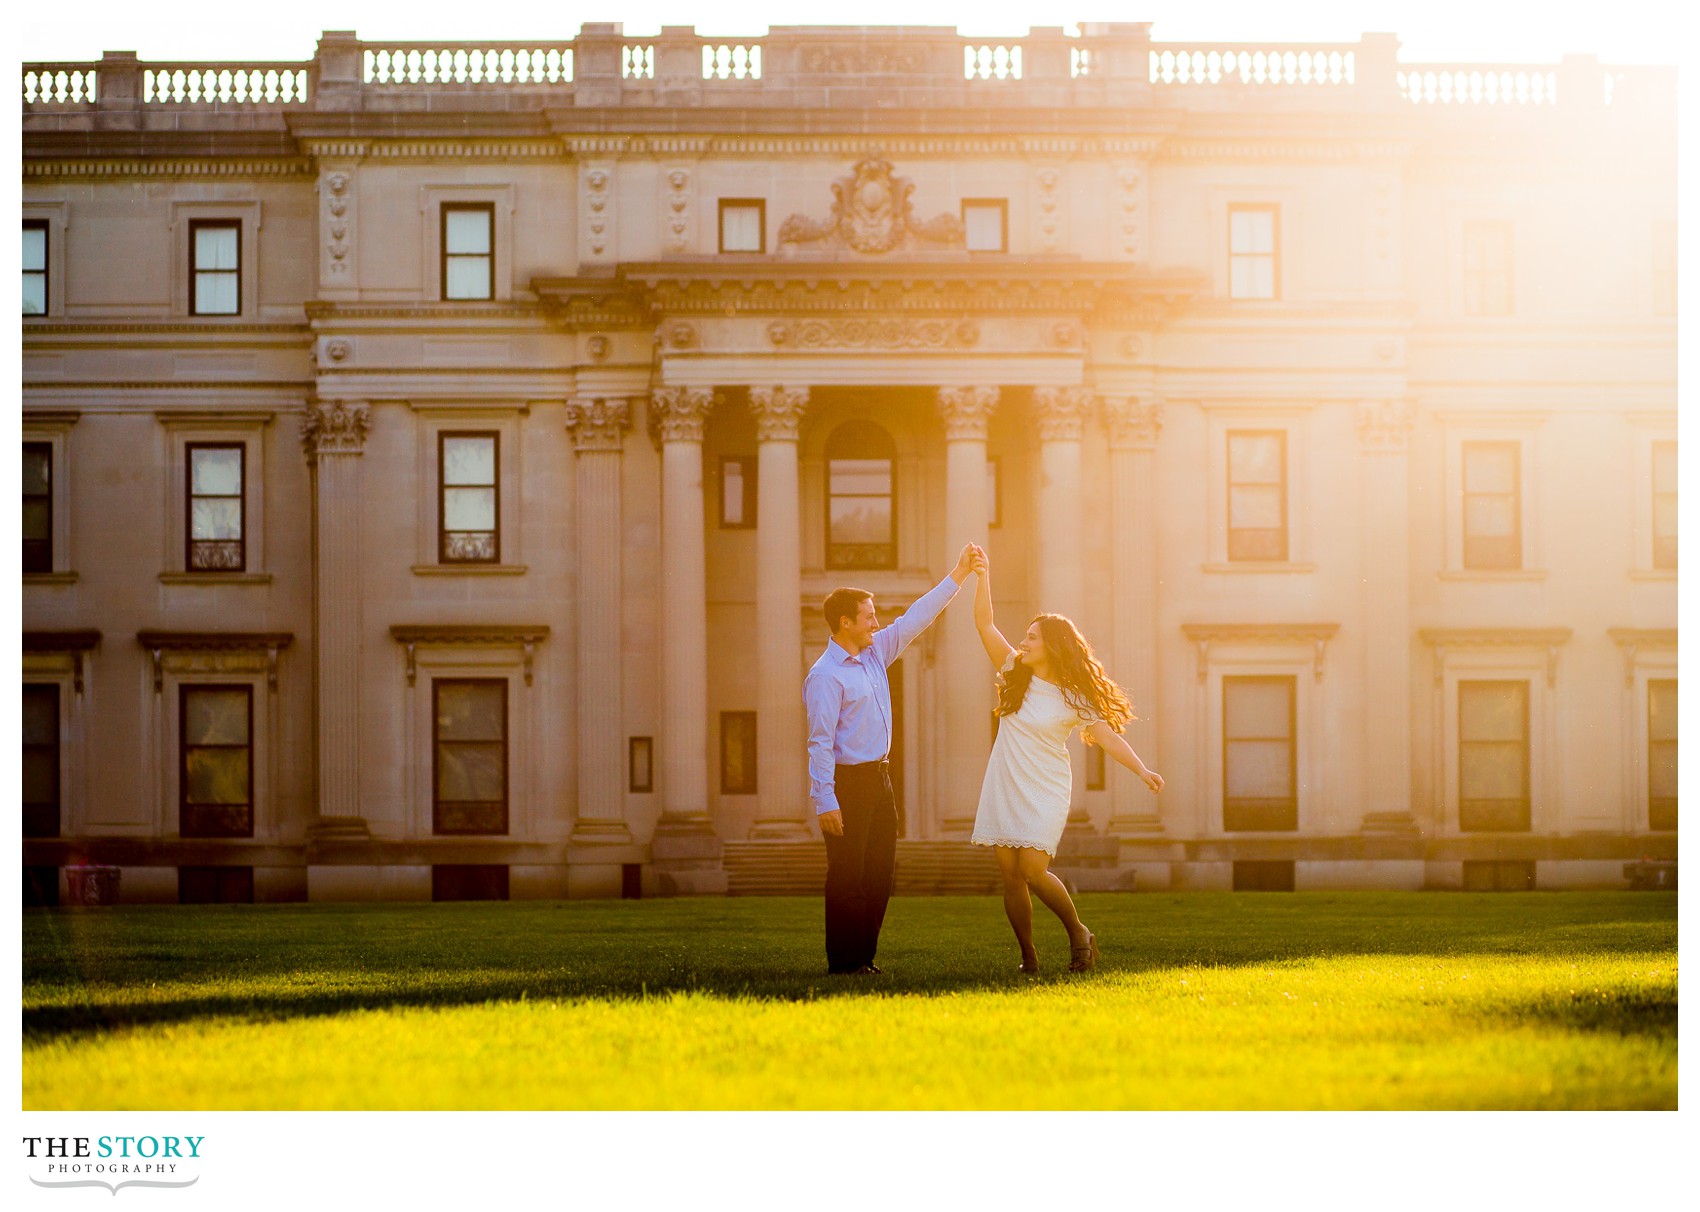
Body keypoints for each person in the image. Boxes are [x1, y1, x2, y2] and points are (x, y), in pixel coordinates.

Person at [967, 548, 1163, 973]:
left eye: (1032, 637)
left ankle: (1078, 932)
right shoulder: (1013, 671)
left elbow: (1107, 738)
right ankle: (1029, 957)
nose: (1023, 642)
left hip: (1046, 785)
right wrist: (982, 574)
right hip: (1004, 780)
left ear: (1053, 645)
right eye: (1025, 636)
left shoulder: (1075, 695)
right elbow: (984, 623)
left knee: (1034, 870)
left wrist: (1142, 769)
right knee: (1010, 875)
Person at [804, 542, 980, 975]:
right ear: (846, 622)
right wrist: (825, 799)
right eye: (868, 617)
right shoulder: (825, 676)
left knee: (880, 876)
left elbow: (918, 616)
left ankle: (863, 957)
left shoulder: (874, 654)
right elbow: (820, 741)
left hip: (880, 782)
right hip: (847, 784)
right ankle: (844, 962)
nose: (876, 623)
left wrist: (958, 574)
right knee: (848, 876)